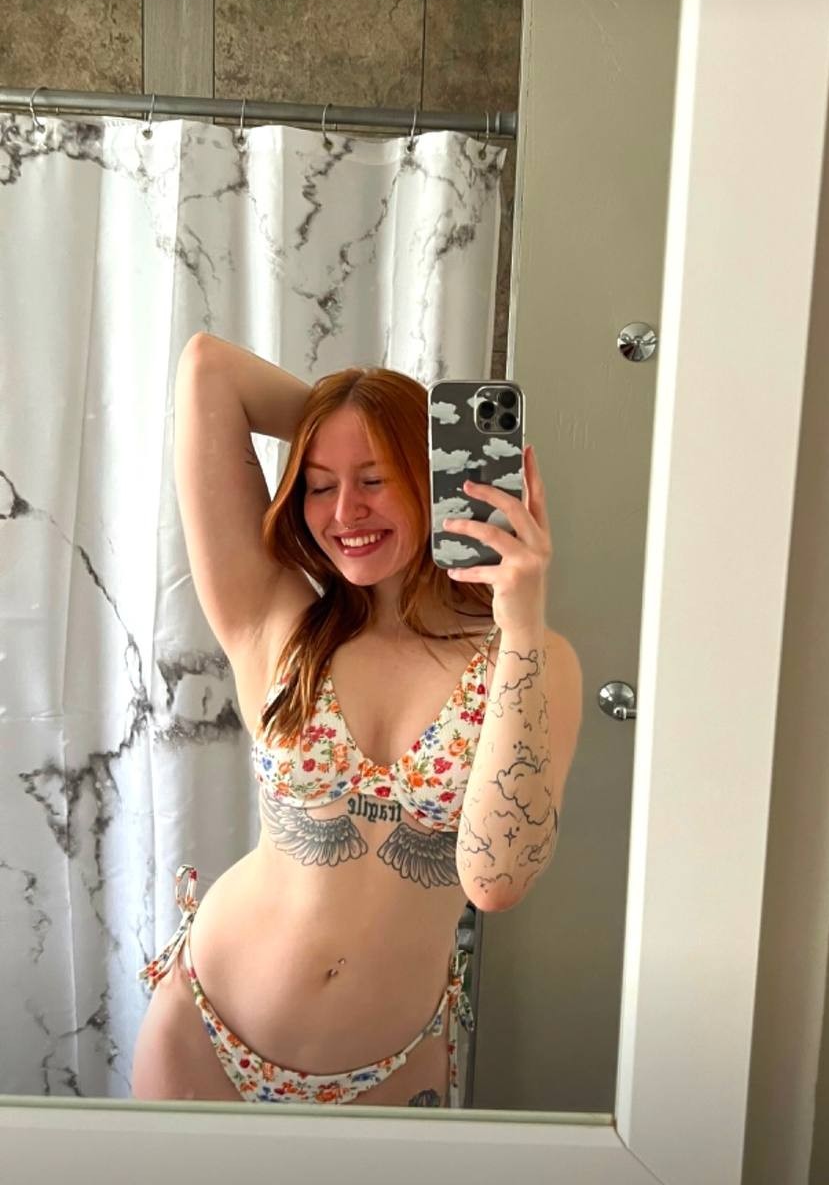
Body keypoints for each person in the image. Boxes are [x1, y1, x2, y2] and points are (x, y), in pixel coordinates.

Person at [130, 332, 583, 1106]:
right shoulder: (275, 619)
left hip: (389, 1068)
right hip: (203, 1031)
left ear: (430, 478)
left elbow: (496, 880)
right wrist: (354, 418)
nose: (345, 511)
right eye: (318, 484)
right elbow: (209, 366)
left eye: (375, 478)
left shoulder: (529, 658)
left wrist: (520, 619)